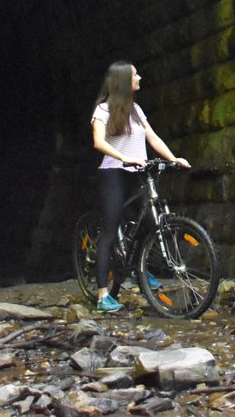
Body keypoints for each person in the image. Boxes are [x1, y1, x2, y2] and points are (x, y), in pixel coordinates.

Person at [89, 60, 189, 313]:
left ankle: (137, 270)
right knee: (110, 232)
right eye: (135, 75)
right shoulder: (103, 110)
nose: (140, 77)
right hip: (114, 173)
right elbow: (98, 142)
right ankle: (103, 295)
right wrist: (124, 158)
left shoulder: (136, 110)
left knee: (146, 221)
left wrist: (173, 158)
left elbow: (152, 137)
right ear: (123, 80)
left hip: (137, 173)